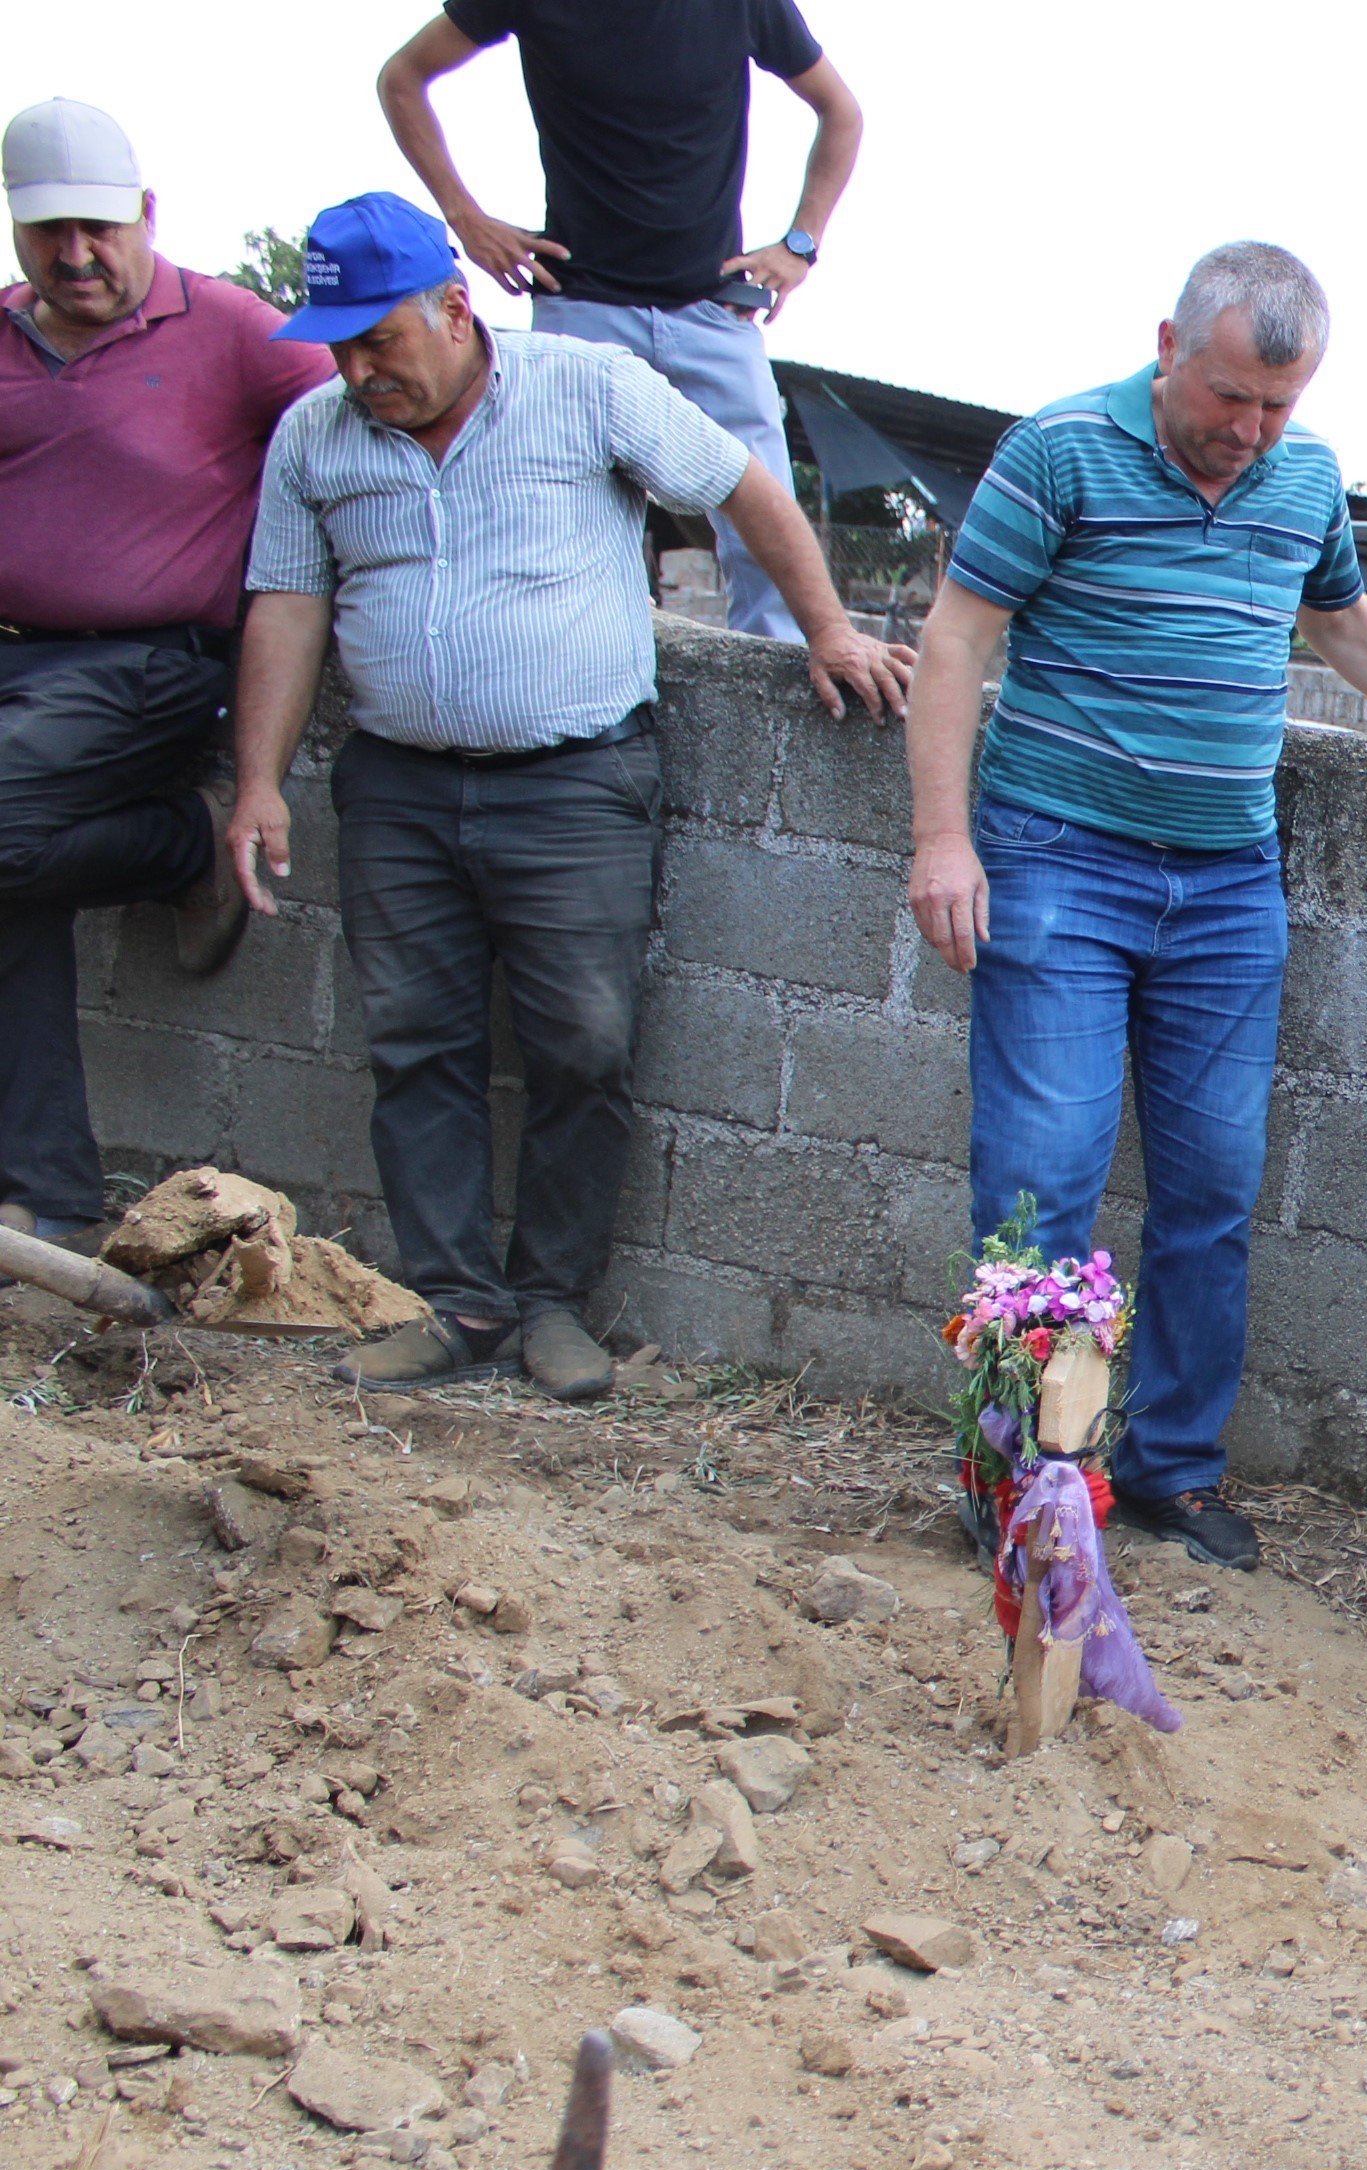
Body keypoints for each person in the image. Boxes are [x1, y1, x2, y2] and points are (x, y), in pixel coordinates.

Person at [227, 192, 905, 1405]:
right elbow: (287, 605)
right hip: (398, 785)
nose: (357, 367)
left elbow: (741, 480)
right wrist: (258, 783)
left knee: (583, 1044)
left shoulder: (584, 388)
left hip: (576, 781)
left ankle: (550, 1300)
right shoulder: (314, 439)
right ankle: (456, 1301)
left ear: (453, 307)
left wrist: (828, 629)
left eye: (379, 338)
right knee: (415, 1044)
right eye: (338, 344)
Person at [902, 242, 1367, 1572]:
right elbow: (956, 638)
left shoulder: (1307, 476)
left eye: (1278, 406)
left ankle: (1171, 1467)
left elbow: (1341, 624)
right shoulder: (1057, 452)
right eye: (1228, 397)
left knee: (1213, 1190)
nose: (1249, 431)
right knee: (1041, 1179)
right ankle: (1013, 1481)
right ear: (1167, 345)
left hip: (1229, 883)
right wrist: (945, 838)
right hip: (1056, 861)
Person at [0, 98, 327, 1242]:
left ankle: (183, 843)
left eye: (99, 229)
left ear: (144, 214)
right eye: (49, 235)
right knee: (10, 876)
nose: (77, 257)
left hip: (149, 665)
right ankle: (42, 1193)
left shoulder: (235, 330)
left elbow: (358, 434)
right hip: (16, 671)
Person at [379, 0, 862, 643]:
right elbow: (402, 78)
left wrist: (800, 244)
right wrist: (466, 220)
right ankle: (580, 686)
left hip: (711, 309)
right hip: (581, 306)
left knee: (764, 523)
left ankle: (788, 692)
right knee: (560, 521)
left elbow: (841, 111)